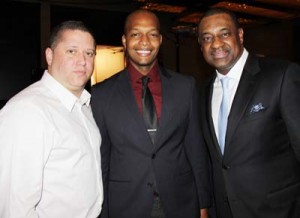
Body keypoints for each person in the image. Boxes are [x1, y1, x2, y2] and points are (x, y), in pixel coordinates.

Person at [91, 9, 211, 218]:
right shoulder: (101, 94)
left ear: (161, 39)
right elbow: (102, 160)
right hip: (126, 204)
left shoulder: (186, 87)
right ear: (125, 40)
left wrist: (203, 204)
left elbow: (195, 149)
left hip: (180, 201)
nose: (144, 41)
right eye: (136, 34)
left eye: (152, 34)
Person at [197, 7, 300, 218]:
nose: (216, 43)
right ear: (201, 46)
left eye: (224, 34)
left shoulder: (281, 75)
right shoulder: (201, 92)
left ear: (240, 35)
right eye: (207, 38)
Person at [0, 20, 103, 217]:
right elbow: (13, 209)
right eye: (72, 51)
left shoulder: (82, 106)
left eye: (89, 53)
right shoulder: (27, 111)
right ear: (49, 55)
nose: (82, 60)